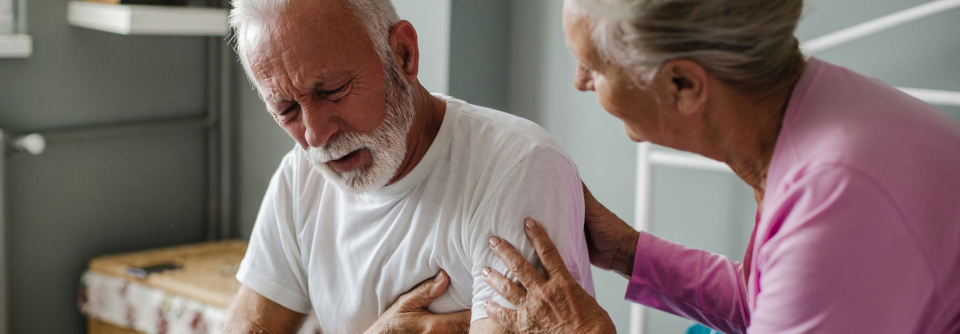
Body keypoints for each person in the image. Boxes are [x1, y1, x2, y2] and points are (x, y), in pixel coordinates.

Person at [478, 0, 960, 333]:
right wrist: (628, 251)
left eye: (595, 67)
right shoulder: (816, 104)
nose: (580, 82)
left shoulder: (838, 195)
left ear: (682, 84)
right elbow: (768, 300)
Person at [221, 0, 597, 333]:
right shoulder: (299, 177)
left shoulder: (516, 168)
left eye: (333, 90)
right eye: (286, 110)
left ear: (403, 54)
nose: (316, 136)